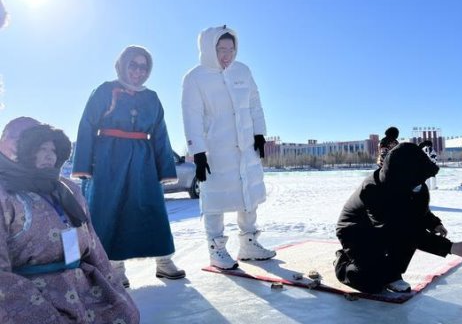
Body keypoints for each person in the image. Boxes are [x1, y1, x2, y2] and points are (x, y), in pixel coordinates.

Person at [0, 118, 139, 323]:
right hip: (34, 298)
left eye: (53, 149)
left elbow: (93, 247)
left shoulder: (67, 190)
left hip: (86, 289)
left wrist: (115, 290)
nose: (49, 154)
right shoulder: (4, 195)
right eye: (40, 147)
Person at [72, 45, 185, 286]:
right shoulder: (104, 91)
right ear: (122, 65)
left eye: (143, 67)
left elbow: (160, 134)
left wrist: (164, 168)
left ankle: (163, 261)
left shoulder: (151, 97)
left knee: (151, 208)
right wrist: (84, 164)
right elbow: (87, 125)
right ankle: (114, 266)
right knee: (110, 210)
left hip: (143, 160)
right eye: (133, 65)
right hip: (108, 157)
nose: (138, 71)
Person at [335, 142, 462, 294]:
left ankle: (392, 274)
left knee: (410, 234)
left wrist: (433, 223)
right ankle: (343, 260)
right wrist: (450, 247)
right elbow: (399, 230)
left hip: (384, 228)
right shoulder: (373, 190)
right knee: (370, 283)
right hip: (356, 231)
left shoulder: (413, 183)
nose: (420, 184)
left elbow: (415, 210)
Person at [182, 25, 275, 270]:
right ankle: (217, 249)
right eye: (221, 49)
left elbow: (255, 102)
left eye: (231, 49)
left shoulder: (243, 71)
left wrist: (259, 133)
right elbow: (192, 116)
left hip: (245, 146)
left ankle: (249, 244)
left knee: (249, 194)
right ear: (208, 48)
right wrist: (198, 151)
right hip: (215, 147)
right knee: (215, 197)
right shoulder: (195, 77)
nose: (227, 55)